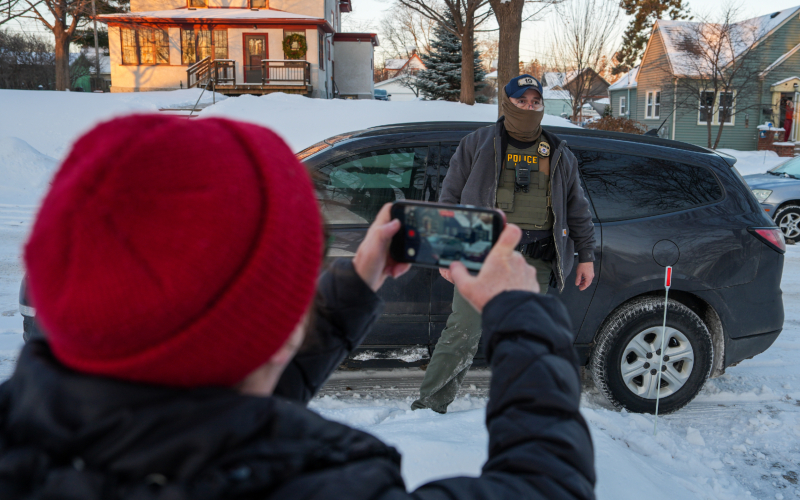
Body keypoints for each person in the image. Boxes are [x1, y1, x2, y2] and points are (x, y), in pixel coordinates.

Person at [0, 115, 595, 499]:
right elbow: (547, 484)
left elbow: (209, 404)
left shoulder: (28, 437)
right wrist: (522, 313)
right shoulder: (325, 484)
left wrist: (352, 288)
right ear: (279, 327)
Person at [412, 75, 597, 414]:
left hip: (533, 261)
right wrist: (447, 252)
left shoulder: (558, 152)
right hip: (479, 256)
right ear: (506, 102)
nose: (529, 107)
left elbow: (577, 210)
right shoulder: (478, 143)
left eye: (535, 102)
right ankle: (430, 404)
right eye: (521, 100)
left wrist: (586, 255)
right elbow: (449, 198)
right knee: (463, 329)